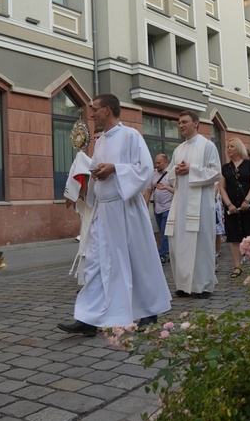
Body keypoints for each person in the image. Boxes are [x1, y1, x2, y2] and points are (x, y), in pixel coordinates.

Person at [58, 94, 171, 335]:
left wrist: (115, 169)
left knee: (137, 259)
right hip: (104, 210)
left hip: (125, 208)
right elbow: (102, 172)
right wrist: (89, 178)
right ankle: (89, 319)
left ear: (107, 110)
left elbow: (145, 169)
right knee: (96, 263)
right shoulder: (100, 142)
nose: (91, 113)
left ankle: (148, 313)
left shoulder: (131, 136)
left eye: (94, 109)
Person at [164, 110, 221, 299]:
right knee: (180, 243)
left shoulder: (208, 146)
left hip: (201, 203)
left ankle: (203, 286)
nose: (181, 125)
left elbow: (215, 173)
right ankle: (183, 285)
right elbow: (170, 175)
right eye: (179, 122)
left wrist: (192, 169)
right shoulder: (178, 149)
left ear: (195, 123)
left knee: (201, 244)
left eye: (184, 122)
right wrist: (177, 171)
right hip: (181, 203)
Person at [219, 138, 250, 279]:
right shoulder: (225, 167)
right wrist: (229, 204)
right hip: (232, 208)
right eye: (228, 146)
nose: (229, 149)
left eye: (232, 146)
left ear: (239, 147)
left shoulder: (249, 165)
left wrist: (247, 200)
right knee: (234, 237)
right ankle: (237, 266)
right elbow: (222, 188)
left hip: (247, 207)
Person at [64, 151, 93, 284]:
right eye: (96, 138)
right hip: (88, 212)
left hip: (102, 212)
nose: (98, 141)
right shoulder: (85, 160)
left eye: (100, 137)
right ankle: (85, 279)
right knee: (86, 247)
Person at [144, 154, 174, 265]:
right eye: (155, 163)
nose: (156, 165)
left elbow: (177, 190)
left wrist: (166, 187)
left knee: (165, 231)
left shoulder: (171, 174)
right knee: (162, 232)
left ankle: (161, 255)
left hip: (168, 207)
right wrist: (144, 206)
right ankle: (170, 252)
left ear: (165, 162)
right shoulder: (153, 175)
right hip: (158, 208)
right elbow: (148, 191)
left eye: (159, 163)